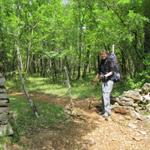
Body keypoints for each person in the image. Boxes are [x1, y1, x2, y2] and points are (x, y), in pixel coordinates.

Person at [95, 51, 114, 120]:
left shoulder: (109, 61)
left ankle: (107, 112)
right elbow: (99, 71)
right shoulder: (101, 62)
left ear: (106, 55)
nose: (102, 56)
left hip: (109, 81)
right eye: (101, 55)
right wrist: (96, 79)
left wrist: (105, 76)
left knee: (106, 96)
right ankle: (104, 110)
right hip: (103, 81)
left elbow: (112, 72)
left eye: (104, 54)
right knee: (104, 96)